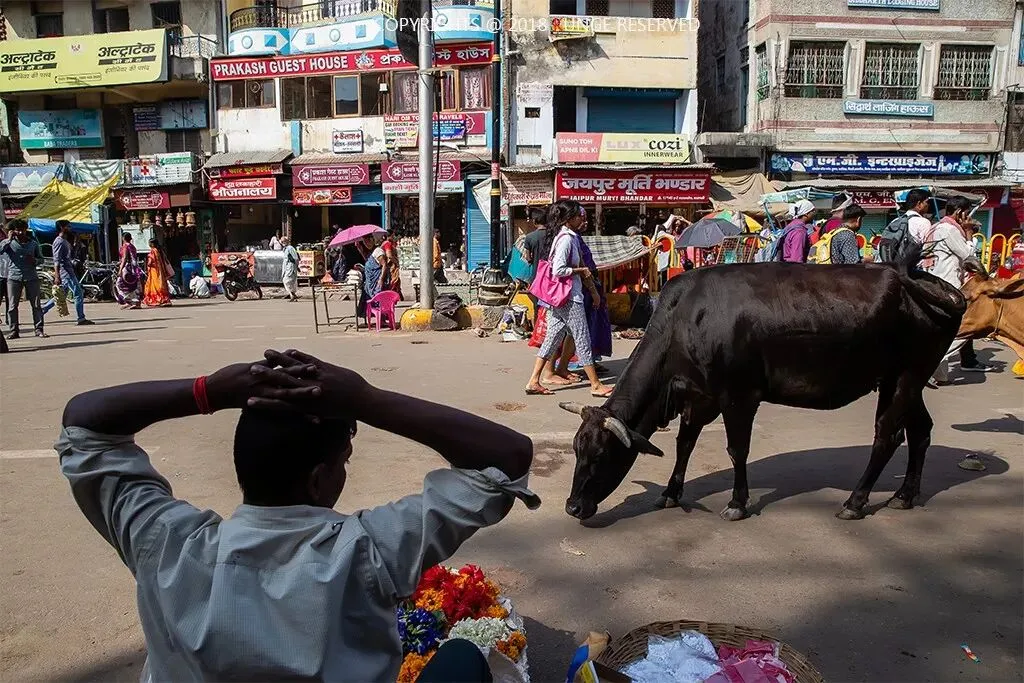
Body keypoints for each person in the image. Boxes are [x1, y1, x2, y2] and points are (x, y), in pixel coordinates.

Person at [56, 348, 536, 681]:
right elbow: (506, 456)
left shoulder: (167, 544)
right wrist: (366, 399)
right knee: (463, 658)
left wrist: (209, 391)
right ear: (318, 480)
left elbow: (85, 422)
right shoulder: (368, 551)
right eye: (344, 462)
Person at [525, 201, 612, 398]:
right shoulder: (566, 239)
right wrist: (580, 271)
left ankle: (534, 381)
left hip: (561, 297)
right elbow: (558, 270)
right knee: (582, 338)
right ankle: (595, 384)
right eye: (578, 215)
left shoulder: (567, 236)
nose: (582, 218)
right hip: (569, 297)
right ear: (569, 219)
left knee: (553, 338)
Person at [915, 196, 983, 385]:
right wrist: (968, 233)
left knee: (942, 330)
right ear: (960, 212)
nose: (969, 219)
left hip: (935, 283)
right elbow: (969, 257)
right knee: (963, 331)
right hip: (949, 286)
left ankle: (940, 375)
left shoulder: (937, 227)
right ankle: (929, 363)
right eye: (967, 214)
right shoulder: (950, 230)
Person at [1, 219, 47, 339]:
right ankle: (13, 330)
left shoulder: (33, 244)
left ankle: (39, 329)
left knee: (36, 305)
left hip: (31, 277)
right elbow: (1, 250)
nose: (20, 233)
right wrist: (8, 239)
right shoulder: (9, 243)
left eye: (23, 230)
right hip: (14, 277)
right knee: (12, 306)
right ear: (13, 231)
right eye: (18, 230)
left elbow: (41, 259)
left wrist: (35, 261)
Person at [49, 220, 94, 325]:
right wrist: (57, 276)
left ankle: (42, 310)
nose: (70, 228)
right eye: (68, 226)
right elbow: (56, 260)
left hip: (69, 270)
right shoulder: (59, 242)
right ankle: (81, 318)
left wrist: (76, 244)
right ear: (62, 228)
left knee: (61, 295)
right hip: (66, 272)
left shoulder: (65, 241)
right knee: (78, 293)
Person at [115, 233, 143, 309]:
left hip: (127, 268)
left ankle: (129, 301)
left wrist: (120, 269)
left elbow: (124, 258)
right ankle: (136, 302)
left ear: (123, 238)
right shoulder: (132, 246)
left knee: (119, 284)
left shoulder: (125, 246)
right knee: (132, 286)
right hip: (134, 268)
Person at [142, 238, 172, 307]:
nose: (149, 244)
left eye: (149, 243)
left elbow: (150, 262)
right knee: (160, 284)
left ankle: (157, 299)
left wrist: (147, 266)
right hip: (160, 271)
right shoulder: (159, 250)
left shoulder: (153, 251)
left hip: (154, 271)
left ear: (152, 244)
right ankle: (163, 299)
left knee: (155, 284)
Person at [381, 231, 403, 299]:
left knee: (394, 281)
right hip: (391, 266)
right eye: (393, 236)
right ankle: (392, 297)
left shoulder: (385, 243)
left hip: (390, 266)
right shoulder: (387, 243)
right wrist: (396, 262)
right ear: (389, 236)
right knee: (393, 281)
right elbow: (389, 255)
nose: (394, 237)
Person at [281, 236, 300, 301]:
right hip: (287, 267)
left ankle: (292, 295)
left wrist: (296, 266)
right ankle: (292, 294)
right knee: (290, 281)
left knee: (287, 281)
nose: (283, 243)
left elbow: (296, 258)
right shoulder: (285, 249)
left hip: (291, 267)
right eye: (282, 242)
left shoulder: (290, 248)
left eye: (284, 241)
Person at [0, 222, 10, 331]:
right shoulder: (4, 242)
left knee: (10, 299)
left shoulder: (10, 242)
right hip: (1, 274)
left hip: (9, 275)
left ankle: (9, 319)